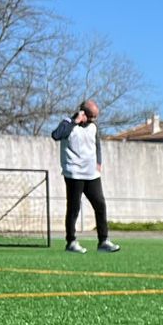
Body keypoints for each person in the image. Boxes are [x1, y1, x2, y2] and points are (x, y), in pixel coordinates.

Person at [51, 99, 118, 253]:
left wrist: (99, 162)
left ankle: (103, 241)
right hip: (74, 173)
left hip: (92, 174)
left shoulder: (93, 127)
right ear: (83, 113)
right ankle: (71, 242)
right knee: (74, 208)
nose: (94, 120)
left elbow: (97, 145)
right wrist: (75, 121)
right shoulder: (67, 123)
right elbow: (56, 135)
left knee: (100, 205)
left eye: (96, 117)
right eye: (91, 116)